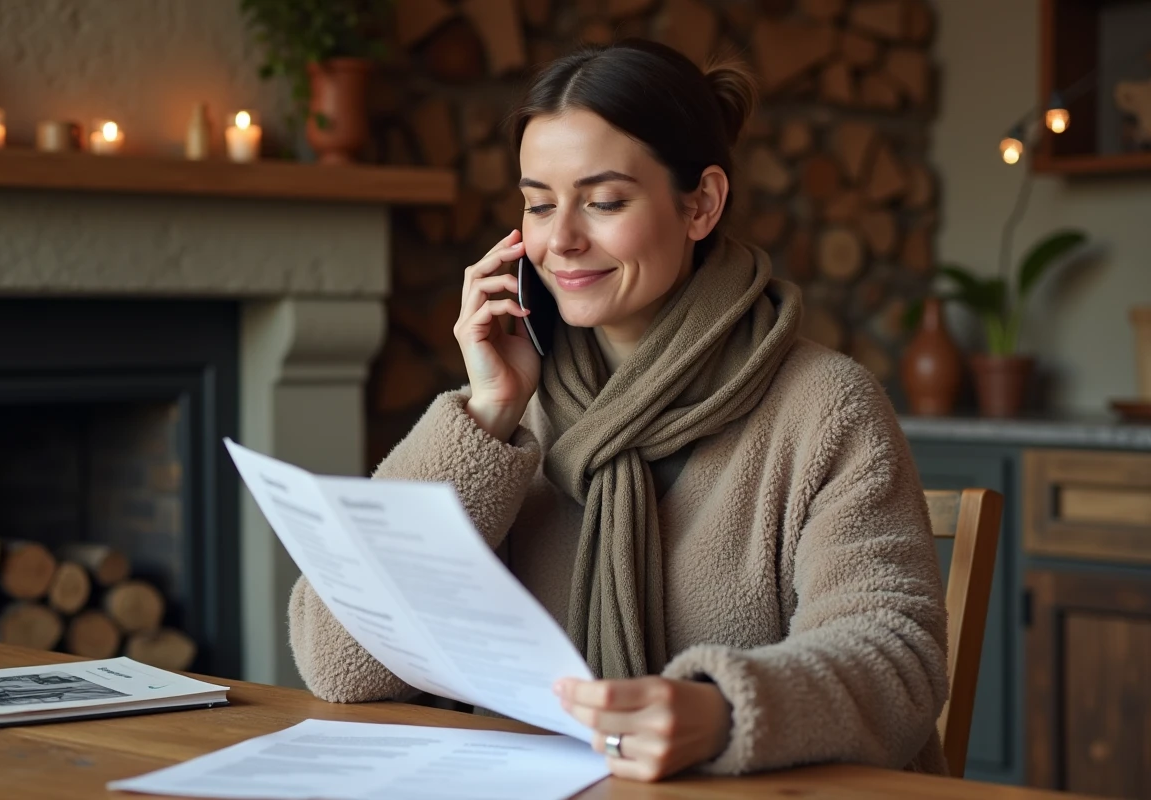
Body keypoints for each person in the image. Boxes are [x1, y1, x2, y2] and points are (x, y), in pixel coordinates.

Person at [288, 38, 950, 782]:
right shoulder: (519, 404)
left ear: (701, 204)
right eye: (538, 203)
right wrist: (486, 413)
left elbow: (897, 659)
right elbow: (336, 661)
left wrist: (723, 711)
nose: (560, 240)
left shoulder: (825, 408)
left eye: (603, 202)